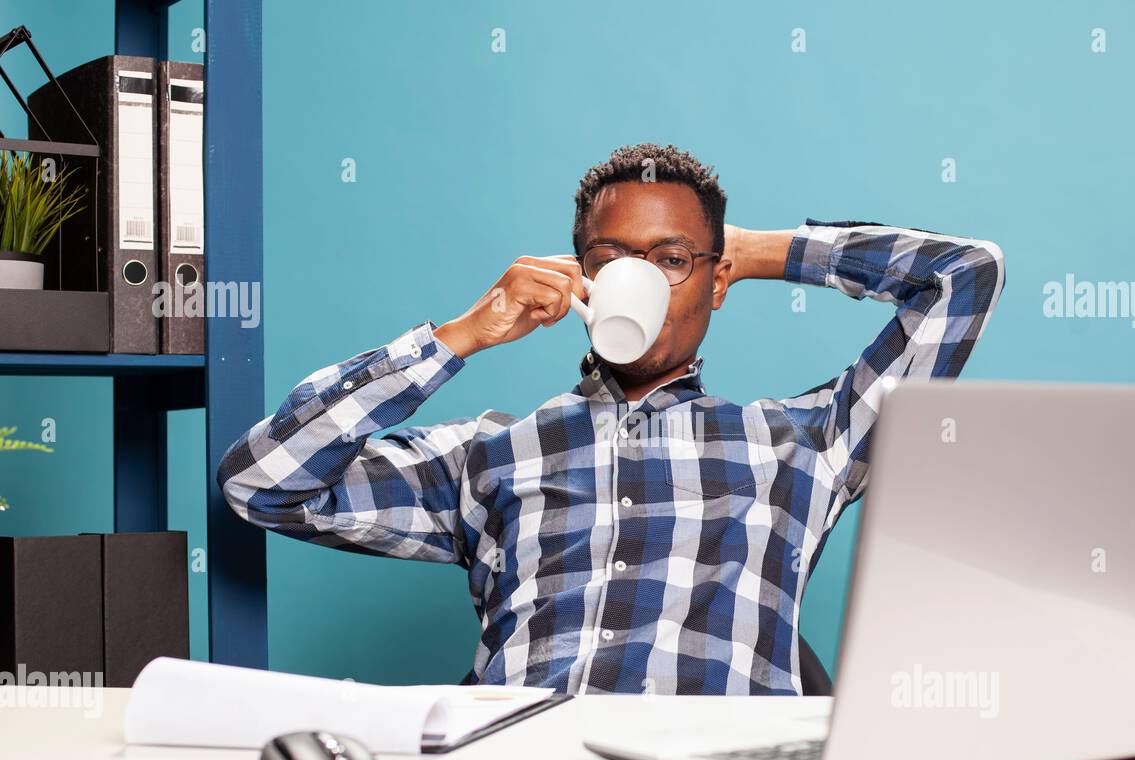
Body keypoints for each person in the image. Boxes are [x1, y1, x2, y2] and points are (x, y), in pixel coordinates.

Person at [217, 143, 1006, 694]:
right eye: (613, 260)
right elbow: (262, 484)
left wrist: (758, 251)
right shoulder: (489, 454)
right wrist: (460, 337)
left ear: (717, 281)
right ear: (582, 276)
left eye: (671, 259)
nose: (644, 280)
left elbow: (962, 276)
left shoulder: (806, 445)